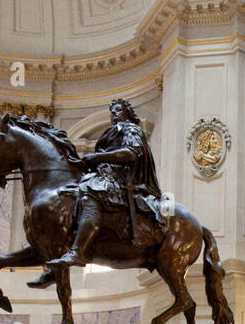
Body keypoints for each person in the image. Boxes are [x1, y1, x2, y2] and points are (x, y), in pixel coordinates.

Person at [47, 98, 164, 271]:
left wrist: (97, 158)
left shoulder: (130, 129)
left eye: (118, 110)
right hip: (105, 176)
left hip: (122, 180)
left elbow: (131, 153)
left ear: (128, 114)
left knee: (90, 194)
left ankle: (78, 251)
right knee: (69, 194)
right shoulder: (113, 132)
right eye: (113, 111)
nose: (114, 114)